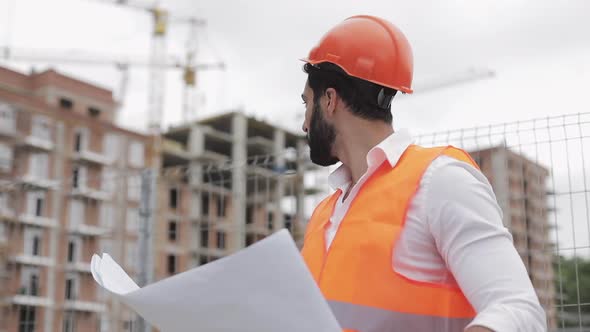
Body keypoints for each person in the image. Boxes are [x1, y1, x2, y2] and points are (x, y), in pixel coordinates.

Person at [299, 15, 546, 332]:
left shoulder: (440, 181)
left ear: (329, 100)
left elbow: (519, 311)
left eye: (307, 103)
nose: (304, 123)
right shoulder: (324, 214)